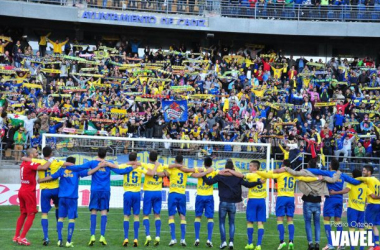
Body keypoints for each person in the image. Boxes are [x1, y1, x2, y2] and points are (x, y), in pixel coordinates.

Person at [66, 148, 137, 246]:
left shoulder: (92, 163)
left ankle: (92, 236)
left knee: (93, 211)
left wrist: (66, 166)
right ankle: (102, 236)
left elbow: (79, 167)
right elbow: (121, 172)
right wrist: (132, 168)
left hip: (95, 190)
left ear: (97, 154)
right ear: (105, 154)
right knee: (104, 212)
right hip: (105, 190)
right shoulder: (109, 163)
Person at [37, 157, 104, 247]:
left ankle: (59, 240)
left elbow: (52, 176)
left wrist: (41, 180)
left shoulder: (62, 170)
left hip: (61, 197)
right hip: (72, 198)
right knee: (71, 219)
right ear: (74, 163)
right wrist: (98, 167)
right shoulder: (77, 170)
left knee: (60, 218)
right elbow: (89, 172)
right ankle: (68, 241)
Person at [256, 159, 319, 250]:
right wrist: (317, 178)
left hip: (282, 198)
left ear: (283, 165)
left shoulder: (280, 174)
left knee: (280, 220)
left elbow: (266, 174)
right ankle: (291, 241)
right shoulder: (293, 174)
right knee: (290, 220)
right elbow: (305, 178)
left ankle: (282, 242)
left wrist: (256, 172)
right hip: (290, 198)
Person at [300, 158, 362, 250]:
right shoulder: (342, 175)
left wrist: (305, 170)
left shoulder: (329, 173)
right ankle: (340, 244)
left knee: (326, 220)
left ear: (330, 166)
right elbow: (355, 181)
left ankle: (330, 243)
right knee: (338, 221)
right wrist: (365, 179)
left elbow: (316, 170)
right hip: (339, 200)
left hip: (330, 200)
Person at [202, 159, 263, 250]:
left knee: (222, 223)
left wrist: (202, 175)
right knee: (232, 223)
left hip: (223, 202)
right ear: (233, 168)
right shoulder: (237, 177)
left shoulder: (220, 176)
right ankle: (231, 242)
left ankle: (223, 242)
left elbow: (209, 182)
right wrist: (258, 182)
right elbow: (248, 184)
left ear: (225, 168)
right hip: (232, 204)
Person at [283, 159, 340, 250]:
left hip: (308, 199)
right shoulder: (321, 174)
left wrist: (286, 168)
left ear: (308, 166)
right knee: (317, 223)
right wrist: (338, 173)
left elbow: (294, 173)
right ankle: (317, 243)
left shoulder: (305, 172)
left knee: (308, 223)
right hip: (317, 200)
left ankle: (310, 244)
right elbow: (333, 179)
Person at [21, 146, 71, 246]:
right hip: (56, 189)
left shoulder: (39, 161)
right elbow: (70, 164)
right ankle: (59, 233)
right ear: (51, 153)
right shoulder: (56, 161)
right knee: (58, 210)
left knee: (44, 214)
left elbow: (24, 158)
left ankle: (46, 237)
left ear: (43, 153)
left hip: (45, 191)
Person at [117, 152, 164, 247]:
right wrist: (157, 167)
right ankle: (136, 238)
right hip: (140, 194)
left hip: (129, 193)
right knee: (138, 216)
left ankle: (126, 238)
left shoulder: (126, 166)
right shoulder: (141, 167)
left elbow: (115, 167)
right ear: (136, 159)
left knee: (127, 216)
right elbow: (157, 173)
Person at [165, 155, 213, 247]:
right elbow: (197, 175)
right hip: (182, 194)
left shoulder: (172, 169)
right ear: (183, 162)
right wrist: (205, 172)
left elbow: (164, 173)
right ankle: (183, 239)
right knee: (182, 216)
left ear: (175, 161)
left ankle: (173, 239)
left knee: (171, 216)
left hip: (173, 194)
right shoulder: (186, 169)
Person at [330, 169, 380, 250]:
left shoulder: (352, 183)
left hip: (353, 209)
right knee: (361, 229)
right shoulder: (364, 185)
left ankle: (352, 248)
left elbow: (345, 191)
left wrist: (334, 192)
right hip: (361, 210)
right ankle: (362, 248)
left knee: (352, 229)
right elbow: (373, 196)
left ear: (353, 176)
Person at [13, 148, 52, 246]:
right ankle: (22, 238)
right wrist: (51, 160)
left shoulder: (23, 163)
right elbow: (43, 168)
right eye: (36, 153)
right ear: (30, 155)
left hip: (22, 190)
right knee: (31, 214)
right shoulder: (30, 164)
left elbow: (29, 162)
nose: (37, 154)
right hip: (28, 192)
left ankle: (16, 236)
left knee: (23, 213)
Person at [227, 160, 267, 250]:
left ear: (255, 168)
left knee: (250, 222)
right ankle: (259, 245)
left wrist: (230, 170)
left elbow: (240, 175)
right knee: (260, 222)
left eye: (250, 166)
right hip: (262, 201)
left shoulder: (251, 175)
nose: (249, 167)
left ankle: (250, 243)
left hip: (253, 200)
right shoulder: (265, 174)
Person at [356, 165, 380, 249]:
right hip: (378, 204)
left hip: (372, 204)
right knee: (374, 226)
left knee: (369, 225)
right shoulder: (377, 180)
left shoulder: (369, 179)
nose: (363, 172)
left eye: (364, 170)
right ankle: (377, 245)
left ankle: (372, 246)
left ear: (369, 172)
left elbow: (358, 178)